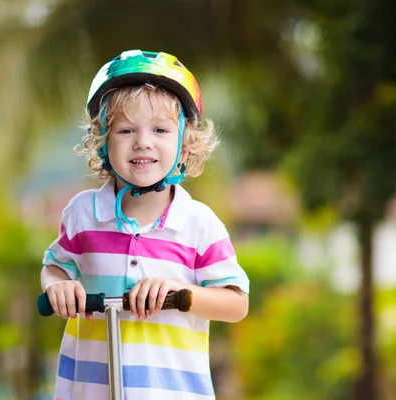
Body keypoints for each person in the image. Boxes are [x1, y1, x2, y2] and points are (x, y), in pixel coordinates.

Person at [40, 49, 250, 400]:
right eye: (125, 129)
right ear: (104, 141)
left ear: (184, 141)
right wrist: (56, 286)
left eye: (160, 129)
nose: (143, 142)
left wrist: (180, 293)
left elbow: (236, 304)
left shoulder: (199, 224)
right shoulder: (81, 215)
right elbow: (54, 268)